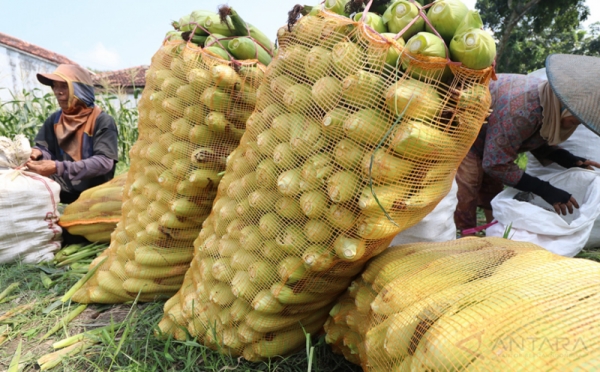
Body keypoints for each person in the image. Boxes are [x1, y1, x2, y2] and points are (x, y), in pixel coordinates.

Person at [454, 54, 600, 234]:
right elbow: (496, 164)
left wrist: (568, 160)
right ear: (562, 110)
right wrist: (544, 190)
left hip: (492, 140)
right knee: (467, 189)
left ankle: (493, 234)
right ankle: (463, 239)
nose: (573, 126)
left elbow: (533, 139)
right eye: (573, 121)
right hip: (466, 133)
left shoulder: (547, 105)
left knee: (492, 189)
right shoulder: (524, 112)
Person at [26, 64, 119, 204]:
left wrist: (58, 167)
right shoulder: (55, 120)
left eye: (64, 86)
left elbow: (104, 162)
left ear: (80, 90)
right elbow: (46, 149)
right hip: (63, 194)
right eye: (55, 86)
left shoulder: (101, 121)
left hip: (94, 197)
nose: (58, 92)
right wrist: (36, 152)